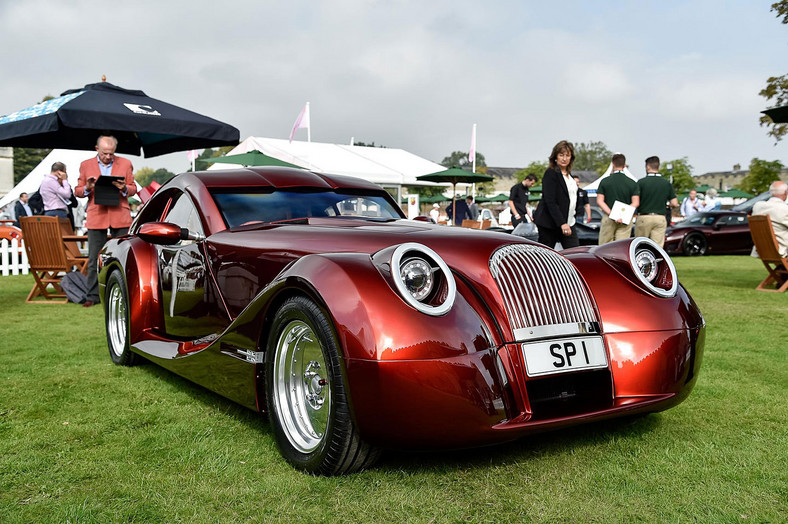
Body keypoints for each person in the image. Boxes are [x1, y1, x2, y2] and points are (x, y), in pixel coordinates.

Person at [75, 135, 137, 308]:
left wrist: (124, 187)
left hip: (120, 214)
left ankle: (127, 293)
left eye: (111, 154)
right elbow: (78, 191)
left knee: (124, 257)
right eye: (105, 153)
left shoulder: (125, 163)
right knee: (94, 257)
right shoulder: (86, 165)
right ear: (97, 149)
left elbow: (134, 188)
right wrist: (88, 188)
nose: (108, 157)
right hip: (97, 215)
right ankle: (92, 295)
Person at [533, 140, 579, 249]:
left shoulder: (569, 176)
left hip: (569, 222)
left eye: (567, 155)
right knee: (546, 256)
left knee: (575, 253)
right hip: (550, 223)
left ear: (571, 158)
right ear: (555, 157)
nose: (564, 158)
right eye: (561, 155)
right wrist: (562, 223)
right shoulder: (551, 173)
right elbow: (550, 201)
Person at [634, 156, 678, 246]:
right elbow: (675, 203)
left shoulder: (641, 182)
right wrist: (666, 205)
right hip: (660, 217)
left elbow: (636, 201)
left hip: (644, 216)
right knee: (657, 247)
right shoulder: (666, 183)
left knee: (640, 245)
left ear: (648, 167)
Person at [596, 153, 640, 245]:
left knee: (604, 246)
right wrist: (623, 215)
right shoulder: (632, 183)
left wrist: (612, 213)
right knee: (621, 246)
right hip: (626, 218)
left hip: (609, 216)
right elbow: (635, 202)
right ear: (624, 165)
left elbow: (600, 201)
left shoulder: (605, 181)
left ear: (613, 164)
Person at [751, 180, 788, 258]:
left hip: (762, 250)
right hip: (781, 250)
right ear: (786, 193)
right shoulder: (784, 209)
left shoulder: (758, 206)